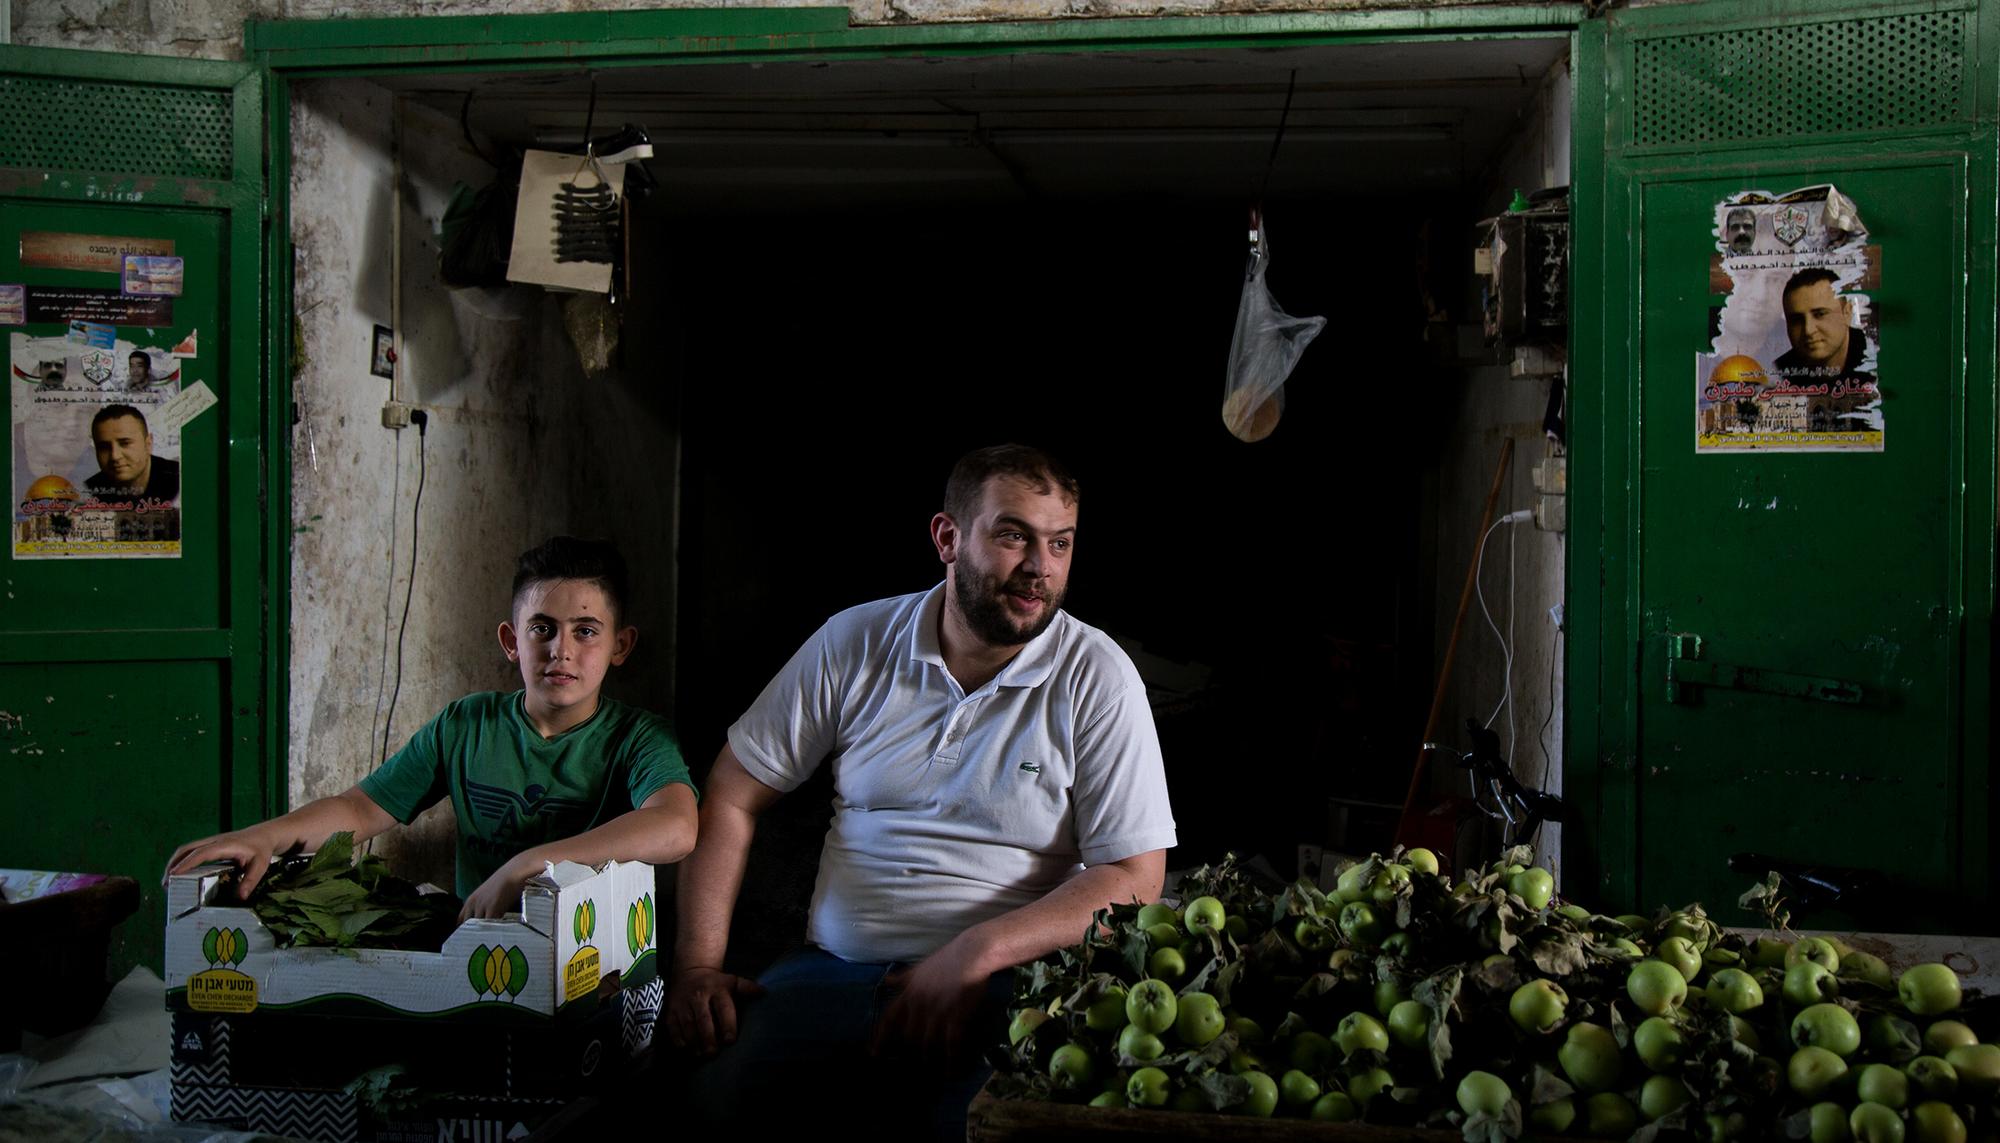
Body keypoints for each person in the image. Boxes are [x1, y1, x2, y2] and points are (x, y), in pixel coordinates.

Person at [666, 443, 1176, 1135]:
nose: (1040, 568)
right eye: (1012, 535)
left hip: (1009, 989)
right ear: (947, 537)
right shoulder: (856, 642)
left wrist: (975, 951)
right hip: (833, 974)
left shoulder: (1098, 677)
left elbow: (1136, 873)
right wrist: (697, 967)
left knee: (969, 1131)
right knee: (703, 1107)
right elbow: (730, 792)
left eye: (1059, 543)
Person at [166, 536, 699, 920]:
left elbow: (676, 826)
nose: (562, 650)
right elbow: (359, 810)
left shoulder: (638, 738)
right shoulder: (467, 725)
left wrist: (528, 863)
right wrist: (263, 836)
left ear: (620, 646)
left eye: (586, 631)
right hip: (482, 948)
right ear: (513, 642)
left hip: (598, 959)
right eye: (543, 629)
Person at [84, 404, 179, 505]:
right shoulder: (87, 491)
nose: (115, 456)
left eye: (125, 443)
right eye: (104, 447)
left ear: (148, 444)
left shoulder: (181, 479)